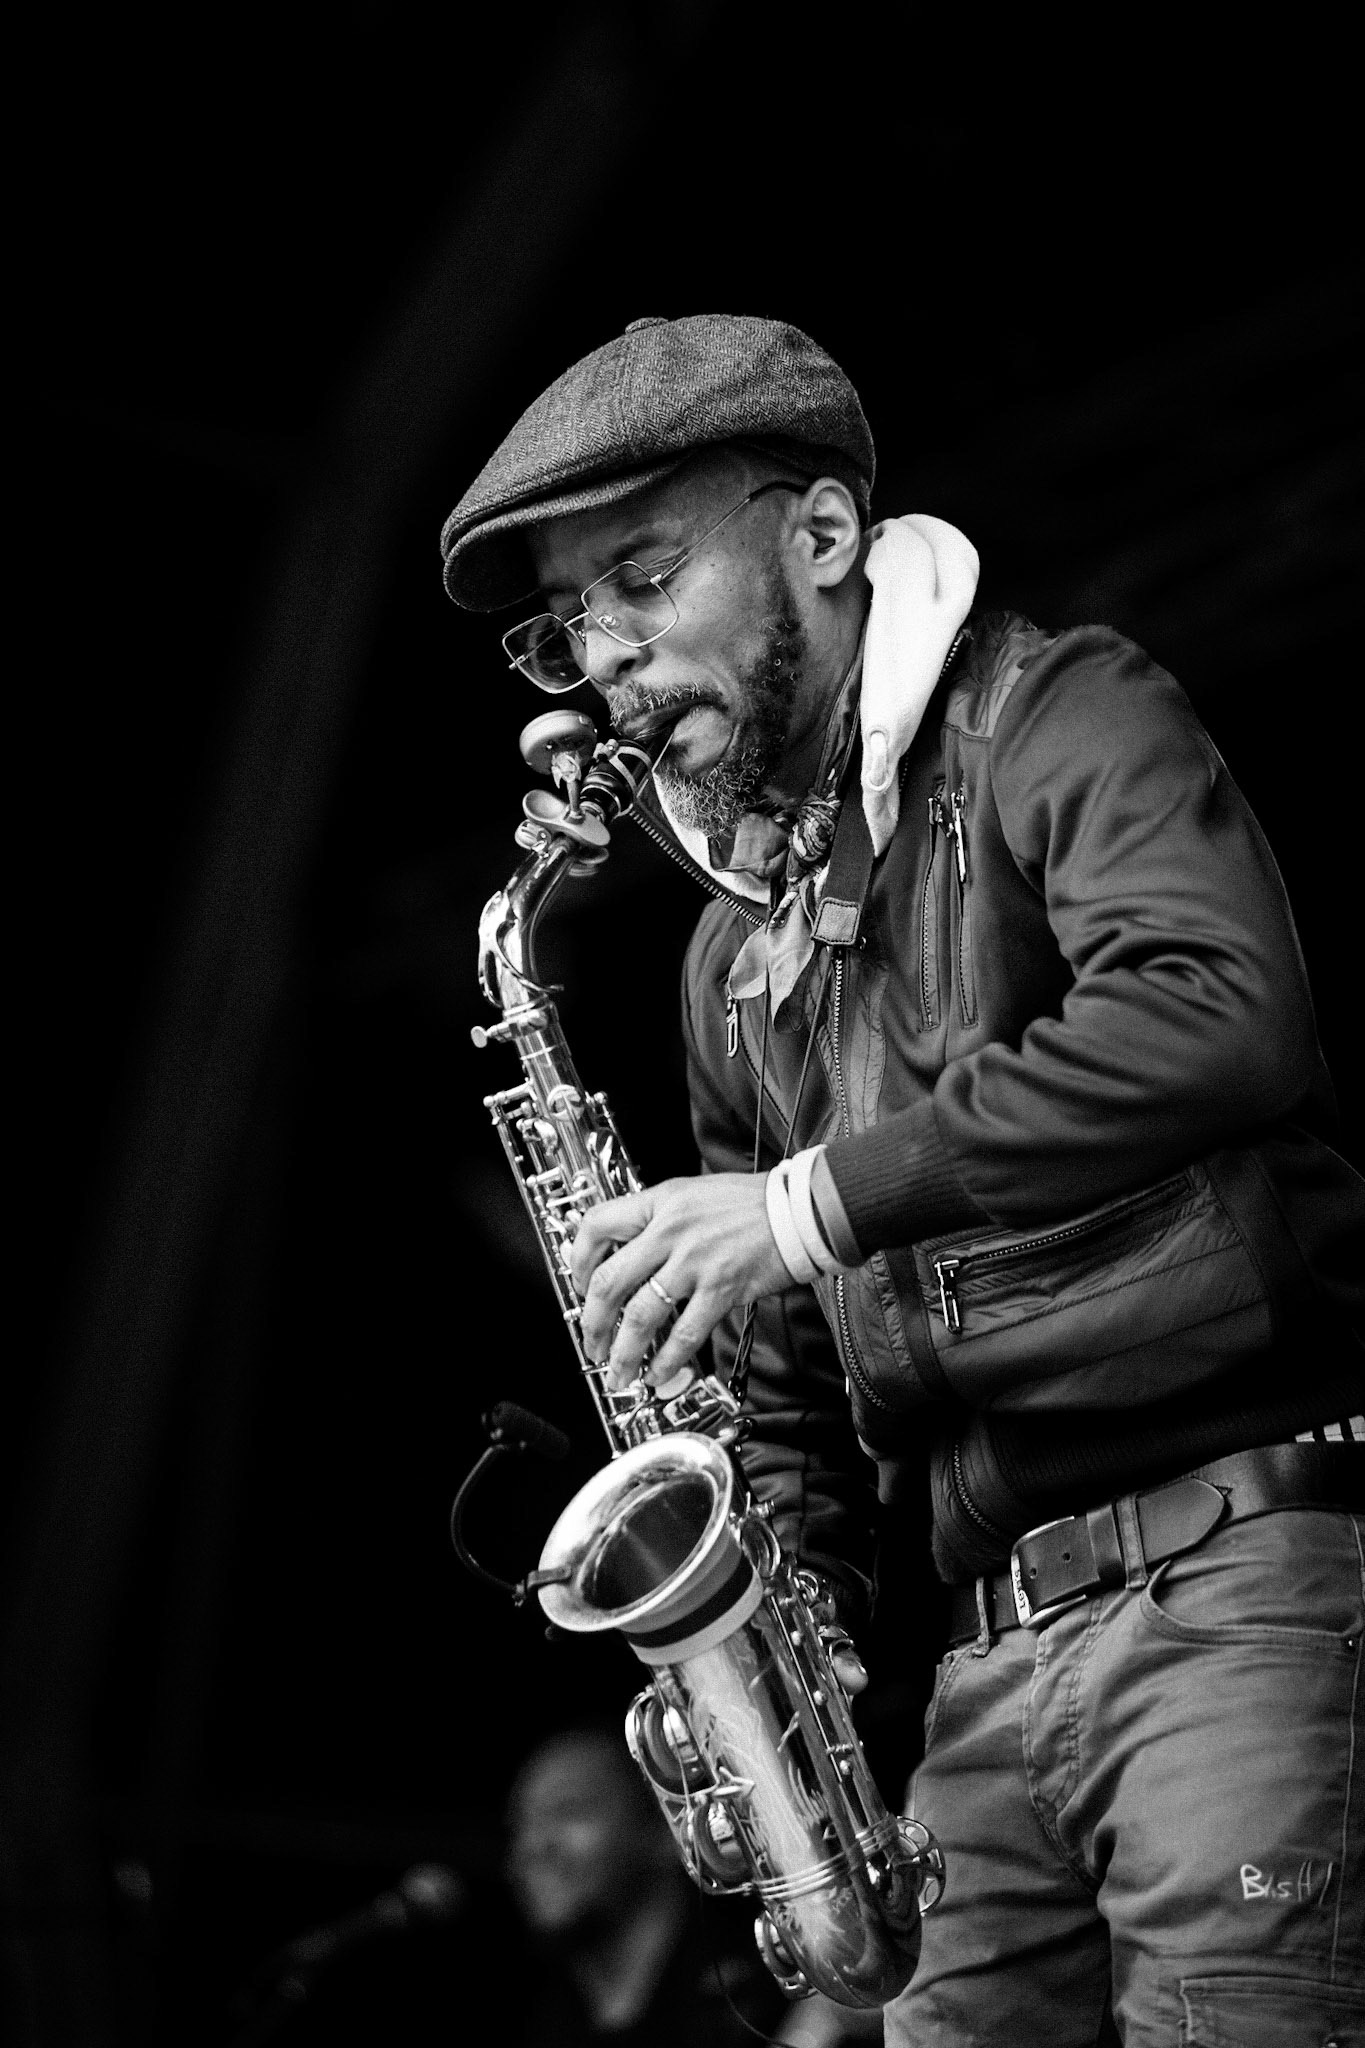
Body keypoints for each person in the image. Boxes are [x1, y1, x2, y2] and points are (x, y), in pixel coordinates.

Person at [440, 315, 1365, 2046]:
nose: (605, 662)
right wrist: (770, 1670)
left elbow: (1222, 1013)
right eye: (573, 622)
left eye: (642, 579)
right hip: (983, 1666)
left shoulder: (1061, 710)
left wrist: (801, 1205)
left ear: (822, 538)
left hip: (1230, 1579)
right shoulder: (728, 957)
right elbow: (774, 1386)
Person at [503, 1722, 786, 2046]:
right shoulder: (540, 2022)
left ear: (665, 1829)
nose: (531, 1846)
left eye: (569, 1810)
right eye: (519, 1826)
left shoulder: (766, 1993)